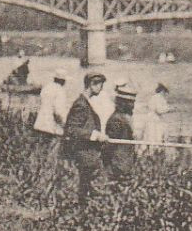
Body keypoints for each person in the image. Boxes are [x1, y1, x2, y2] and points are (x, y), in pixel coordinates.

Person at [61, 72, 108, 202]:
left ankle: (83, 210)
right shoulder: (81, 104)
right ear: (91, 84)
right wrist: (95, 135)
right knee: (90, 186)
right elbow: (71, 130)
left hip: (85, 154)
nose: (101, 88)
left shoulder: (83, 102)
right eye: (99, 84)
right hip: (83, 154)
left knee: (85, 188)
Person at [102, 82, 140, 182]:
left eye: (133, 102)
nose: (133, 106)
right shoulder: (117, 119)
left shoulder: (123, 118)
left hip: (123, 164)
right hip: (118, 166)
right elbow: (110, 145)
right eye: (130, 103)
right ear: (123, 103)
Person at [32, 67, 71, 140]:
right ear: (63, 80)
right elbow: (59, 112)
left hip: (40, 124)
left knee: (41, 149)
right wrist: (65, 125)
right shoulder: (60, 91)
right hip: (51, 128)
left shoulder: (46, 88)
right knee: (53, 149)